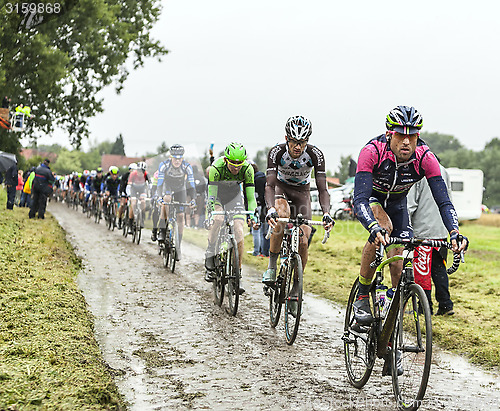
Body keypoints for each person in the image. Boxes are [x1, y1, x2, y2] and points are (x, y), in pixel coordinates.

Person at [352, 105, 469, 375]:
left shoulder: (425, 158)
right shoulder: (372, 152)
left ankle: (391, 340)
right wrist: (371, 225)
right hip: (372, 200)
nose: (406, 141)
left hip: (398, 203)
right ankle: (362, 294)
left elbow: (443, 200)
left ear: (418, 136)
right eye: (400, 135)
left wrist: (454, 232)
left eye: (412, 135)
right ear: (389, 134)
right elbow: (359, 199)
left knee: (399, 263)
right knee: (383, 227)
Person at [262, 116, 334, 315]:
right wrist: (270, 209)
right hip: (280, 189)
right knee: (281, 216)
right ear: (287, 138)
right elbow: (269, 184)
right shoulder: (276, 152)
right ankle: (272, 265)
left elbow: (322, 189)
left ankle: (295, 289)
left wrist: (326, 213)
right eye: (294, 142)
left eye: (302, 142)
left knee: (303, 240)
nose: (298, 147)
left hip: (302, 193)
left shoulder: (315, 154)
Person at [204, 142, 259, 294]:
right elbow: (211, 196)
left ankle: (237, 273)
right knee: (219, 219)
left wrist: (253, 214)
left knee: (239, 230)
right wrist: (211, 213)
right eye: (233, 163)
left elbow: (250, 197)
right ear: (226, 160)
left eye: (239, 163)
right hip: (217, 197)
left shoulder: (248, 169)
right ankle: (211, 252)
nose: (236, 167)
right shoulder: (216, 168)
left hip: (235, 198)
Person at [407, 163, 455, 316]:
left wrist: (404, 226)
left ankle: (424, 308)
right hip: (440, 228)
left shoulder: (417, 169)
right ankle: (446, 305)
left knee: (422, 271)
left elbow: (410, 203)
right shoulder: (443, 170)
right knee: (439, 268)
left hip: (422, 230)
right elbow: (448, 199)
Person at [156, 144, 196, 260]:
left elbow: (191, 185)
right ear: (171, 157)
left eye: (179, 158)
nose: (177, 161)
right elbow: (159, 184)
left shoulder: (187, 167)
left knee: (180, 216)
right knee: (166, 200)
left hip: (180, 189)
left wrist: (193, 199)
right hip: (167, 187)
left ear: (182, 158)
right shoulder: (164, 165)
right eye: (175, 158)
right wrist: (159, 197)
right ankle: (163, 230)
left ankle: (178, 244)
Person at [250, 162, 269, 256]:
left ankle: (256, 251)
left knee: (256, 230)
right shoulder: (263, 177)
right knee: (264, 231)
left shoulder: (255, 180)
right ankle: (263, 251)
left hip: (257, 205)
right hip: (266, 206)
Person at [126, 161, 149, 232]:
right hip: (134, 189)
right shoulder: (133, 174)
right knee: (133, 204)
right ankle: (130, 224)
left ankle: (142, 218)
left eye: (142, 171)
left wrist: (150, 194)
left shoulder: (146, 174)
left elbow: (150, 185)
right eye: (139, 170)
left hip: (142, 189)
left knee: (143, 202)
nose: (140, 172)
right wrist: (129, 195)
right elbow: (129, 185)